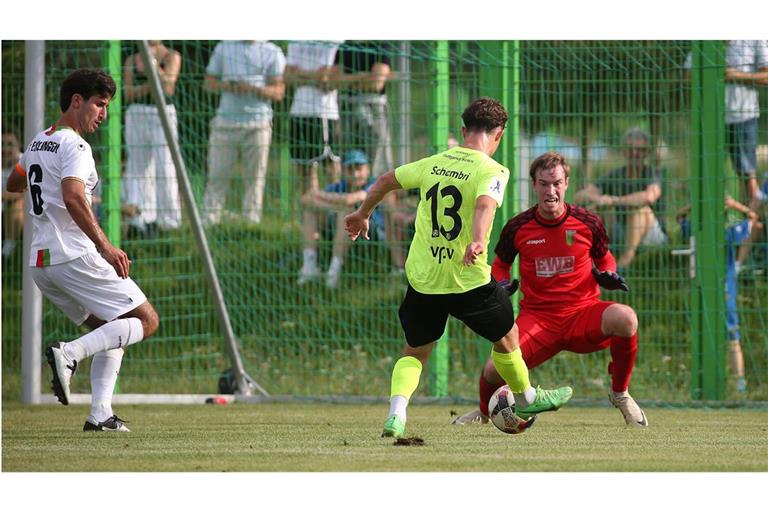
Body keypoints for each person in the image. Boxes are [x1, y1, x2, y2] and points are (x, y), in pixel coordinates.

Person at [344, 98, 573, 438]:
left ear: (464, 130)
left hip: (424, 279)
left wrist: (362, 213)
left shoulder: (433, 163)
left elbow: (386, 180)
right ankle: (526, 397)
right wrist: (478, 241)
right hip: (467, 278)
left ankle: (396, 414)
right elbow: (484, 204)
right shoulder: (493, 170)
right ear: (499, 135)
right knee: (508, 336)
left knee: (415, 352)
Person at [5, 69, 160, 432]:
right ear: (77, 101)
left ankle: (100, 413)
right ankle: (69, 354)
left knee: (113, 326)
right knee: (146, 321)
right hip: (73, 255)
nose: (103, 114)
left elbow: (16, 181)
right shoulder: (75, 145)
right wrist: (105, 247)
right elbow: (74, 196)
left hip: (41, 263)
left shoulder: (38, 141)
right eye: (99, 104)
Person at [453, 151, 648, 428]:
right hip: (538, 319)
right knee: (493, 368)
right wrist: (501, 284)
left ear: (566, 183)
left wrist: (609, 273)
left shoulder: (588, 222)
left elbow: (605, 258)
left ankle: (621, 394)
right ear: (534, 185)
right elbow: (500, 265)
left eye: (556, 183)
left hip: (583, 313)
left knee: (626, 318)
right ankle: (484, 414)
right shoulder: (517, 227)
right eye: (544, 183)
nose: (551, 190)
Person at [678, 196, 762, 393]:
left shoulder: (708, 232)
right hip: (718, 288)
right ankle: (726, 382)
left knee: (727, 335)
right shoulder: (728, 232)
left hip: (717, 289)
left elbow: (679, 217)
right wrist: (735, 205)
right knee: (727, 335)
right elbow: (753, 218)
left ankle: (736, 383)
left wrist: (694, 205)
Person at [202, 40, 286, 225]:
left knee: (255, 179)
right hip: (225, 122)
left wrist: (254, 89)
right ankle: (209, 223)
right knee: (217, 176)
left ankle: (251, 224)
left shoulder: (273, 51)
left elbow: (279, 91)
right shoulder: (224, 47)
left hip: (258, 123)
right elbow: (209, 83)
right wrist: (230, 86)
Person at [574, 126, 667, 270]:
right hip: (621, 233)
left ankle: (624, 263)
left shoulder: (653, 174)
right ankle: (590, 261)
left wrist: (616, 200)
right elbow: (580, 196)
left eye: (640, 149)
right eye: (630, 149)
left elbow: (649, 196)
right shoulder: (615, 175)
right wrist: (600, 199)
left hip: (652, 236)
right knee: (595, 210)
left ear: (647, 152)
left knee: (640, 209)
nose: (635, 153)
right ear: (624, 151)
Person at [121, 41, 183, 238]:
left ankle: (169, 222)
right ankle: (139, 220)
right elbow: (129, 93)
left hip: (163, 114)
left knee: (165, 166)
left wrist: (153, 65)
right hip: (137, 114)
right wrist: (153, 84)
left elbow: (168, 88)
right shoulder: (131, 60)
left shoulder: (172, 56)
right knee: (137, 168)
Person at [298, 149, 381, 288]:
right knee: (310, 211)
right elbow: (306, 198)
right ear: (343, 171)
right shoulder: (339, 186)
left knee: (346, 213)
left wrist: (325, 200)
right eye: (350, 169)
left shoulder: (374, 185)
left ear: (368, 169)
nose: (355, 174)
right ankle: (309, 265)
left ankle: (334, 270)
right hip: (341, 229)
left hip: (371, 233)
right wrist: (337, 202)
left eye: (359, 169)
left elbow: (352, 198)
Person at [284, 40, 343, 197]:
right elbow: (287, 77)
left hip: (325, 113)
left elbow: (328, 80)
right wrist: (315, 75)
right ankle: (310, 218)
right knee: (305, 172)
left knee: (331, 169)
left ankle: (335, 215)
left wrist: (301, 74)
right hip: (298, 113)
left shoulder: (336, 42)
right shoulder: (296, 42)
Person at [336, 41, 395, 179]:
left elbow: (376, 84)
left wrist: (349, 81)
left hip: (374, 109)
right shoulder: (345, 45)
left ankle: (375, 188)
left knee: (378, 152)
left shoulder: (381, 45)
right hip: (347, 109)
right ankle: (351, 192)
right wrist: (365, 76)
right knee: (348, 154)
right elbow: (335, 80)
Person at [2, 132, 24, 261]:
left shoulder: (24, 162)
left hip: (16, 209)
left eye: (10, 144)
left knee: (16, 203)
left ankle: (7, 253)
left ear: (18, 146)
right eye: (1, 144)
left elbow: (23, 191)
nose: (5, 149)